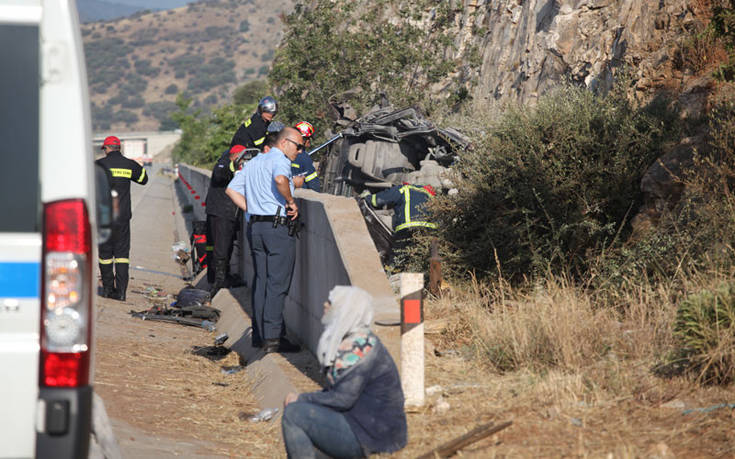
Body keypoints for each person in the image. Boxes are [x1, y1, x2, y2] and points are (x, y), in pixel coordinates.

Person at [281, 286, 407, 458]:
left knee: (293, 415)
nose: (325, 305)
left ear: (345, 310)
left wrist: (301, 399)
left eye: (331, 303)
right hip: (362, 426)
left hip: (373, 437)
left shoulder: (358, 348)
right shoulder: (355, 340)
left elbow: (342, 399)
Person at [225, 127, 304, 353]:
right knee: (277, 283)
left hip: (256, 226)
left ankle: (259, 335)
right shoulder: (280, 159)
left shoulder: (254, 162)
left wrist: (252, 208)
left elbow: (231, 190)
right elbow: (280, 179)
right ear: (285, 143)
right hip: (277, 228)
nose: (299, 151)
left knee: (261, 281)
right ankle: (273, 338)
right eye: (298, 146)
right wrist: (290, 201)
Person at [95, 135, 149, 301]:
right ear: (119, 148)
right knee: (122, 255)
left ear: (106, 148)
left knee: (105, 256)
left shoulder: (99, 165)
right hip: (123, 217)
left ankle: (107, 290)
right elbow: (143, 179)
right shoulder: (129, 164)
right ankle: (121, 293)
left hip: (104, 218)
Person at [364, 183, 437, 268]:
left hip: (407, 229)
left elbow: (380, 199)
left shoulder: (405, 188)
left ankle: (391, 275)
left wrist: (368, 198)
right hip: (429, 233)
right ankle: (417, 279)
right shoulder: (431, 196)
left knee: (398, 258)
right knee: (419, 261)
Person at [205, 144, 246, 296]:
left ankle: (222, 276)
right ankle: (218, 281)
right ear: (235, 156)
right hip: (221, 211)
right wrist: (234, 166)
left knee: (226, 246)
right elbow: (219, 173)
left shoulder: (233, 165)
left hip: (228, 212)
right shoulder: (223, 163)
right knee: (220, 247)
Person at [291, 121, 321, 192]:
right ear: (304, 139)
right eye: (309, 138)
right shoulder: (304, 158)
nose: (309, 141)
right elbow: (313, 184)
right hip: (298, 197)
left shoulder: (283, 152)